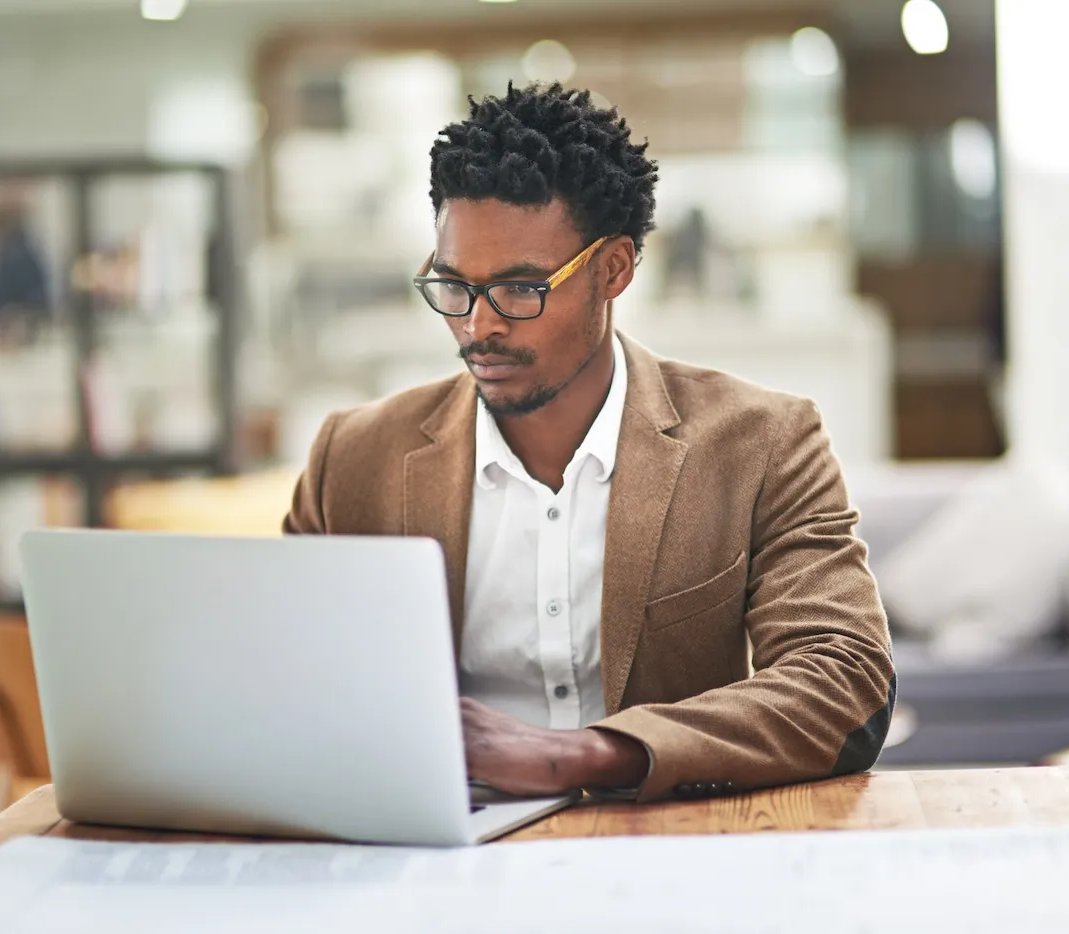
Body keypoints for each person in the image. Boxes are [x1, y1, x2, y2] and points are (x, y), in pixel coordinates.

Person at [283, 83, 895, 802]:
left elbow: (844, 680)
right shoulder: (354, 458)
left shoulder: (761, 444)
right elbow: (285, 682)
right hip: (432, 861)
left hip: (667, 849)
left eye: (520, 290)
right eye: (455, 287)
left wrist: (591, 755)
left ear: (613, 271)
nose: (478, 327)